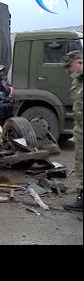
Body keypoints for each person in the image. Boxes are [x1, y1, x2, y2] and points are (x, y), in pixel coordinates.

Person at [62, 50, 83, 211]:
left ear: (79, 63)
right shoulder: (77, 82)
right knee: (80, 164)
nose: (67, 71)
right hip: (80, 130)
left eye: (69, 66)